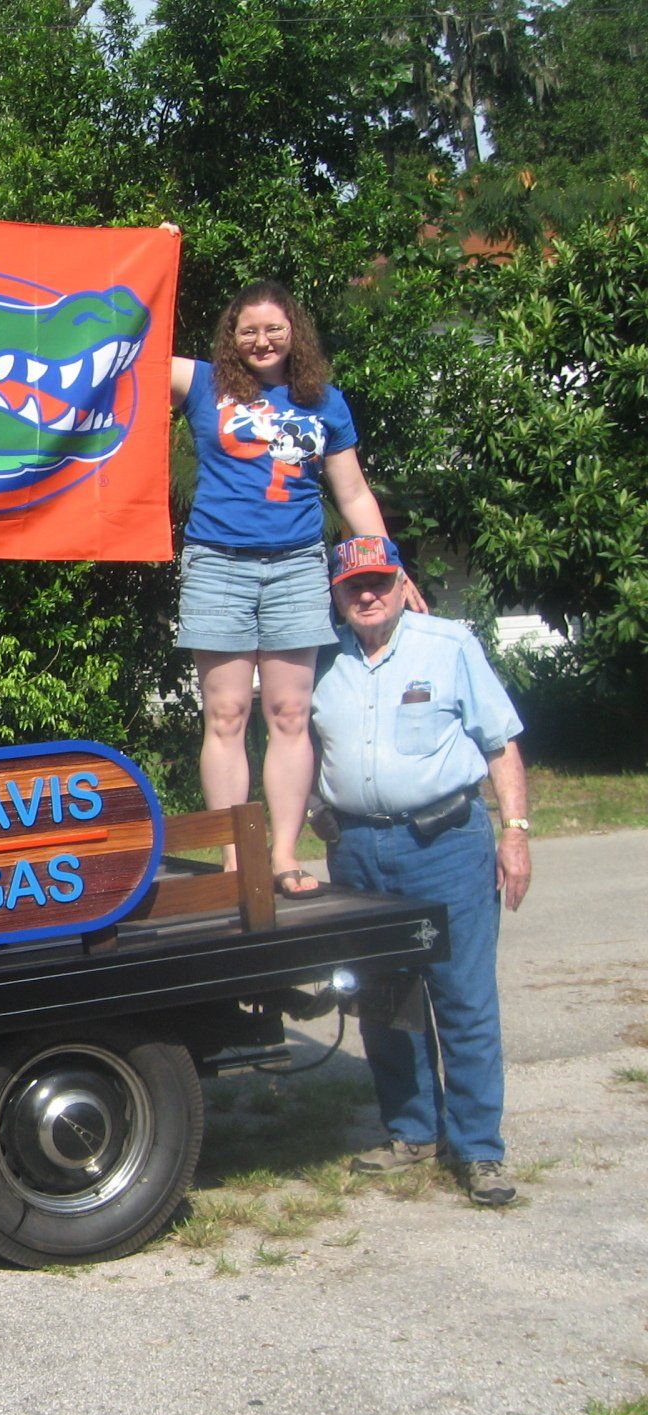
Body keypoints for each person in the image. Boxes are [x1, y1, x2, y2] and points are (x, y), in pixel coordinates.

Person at [170, 279, 423, 896]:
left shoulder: (324, 401)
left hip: (297, 566)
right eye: (248, 330)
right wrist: (159, 249)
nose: (262, 340)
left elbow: (353, 493)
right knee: (226, 714)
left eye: (273, 329)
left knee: (289, 713)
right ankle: (236, 861)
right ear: (231, 336)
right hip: (218, 563)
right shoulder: (205, 384)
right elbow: (134, 346)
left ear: (294, 333)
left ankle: (281, 855)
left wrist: (390, 562)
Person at [311, 535, 532, 1207]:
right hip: (355, 854)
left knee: (463, 1000)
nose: (368, 594)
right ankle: (411, 1133)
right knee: (384, 1001)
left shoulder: (450, 645)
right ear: (338, 595)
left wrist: (516, 835)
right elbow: (295, 745)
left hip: (445, 846)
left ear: (403, 584)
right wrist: (316, 812)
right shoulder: (319, 663)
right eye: (354, 586)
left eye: (379, 581)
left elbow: (501, 744)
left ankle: (479, 1151)